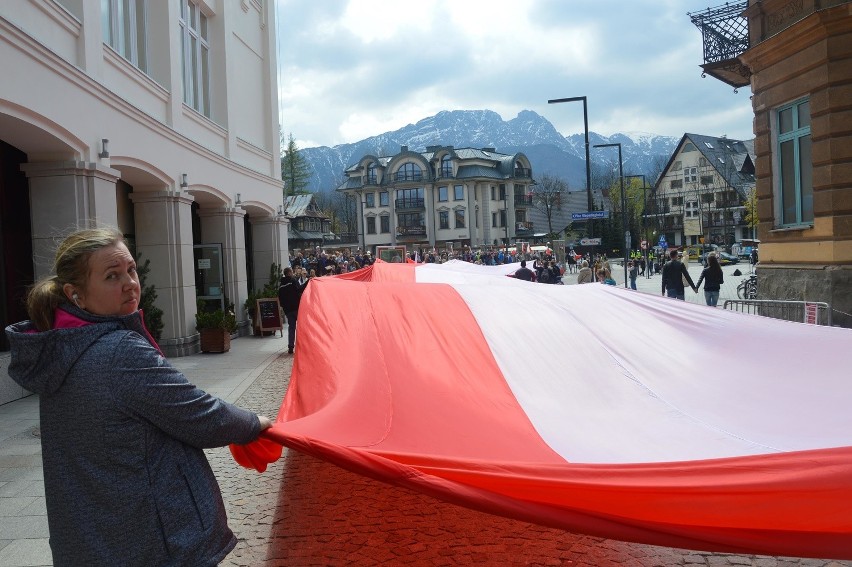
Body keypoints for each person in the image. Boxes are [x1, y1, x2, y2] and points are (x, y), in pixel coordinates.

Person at [4, 227, 272, 566]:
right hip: (151, 540)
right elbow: (199, 415)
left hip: (93, 536)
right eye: (111, 276)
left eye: (130, 270)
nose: (130, 282)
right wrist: (254, 423)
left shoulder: (61, 345)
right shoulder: (118, 351)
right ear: (77, 295)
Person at [278, 266, 309, 354]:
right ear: (289, 273)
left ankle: (291, 346)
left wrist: (285, 307)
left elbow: (280, 299)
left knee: (291, 327)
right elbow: (299, 289)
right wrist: (307, 282)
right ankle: (302, 346)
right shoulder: (292, 281)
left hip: (288, 310)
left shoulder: (281, 286)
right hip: (296, 307)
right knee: (301, 327)